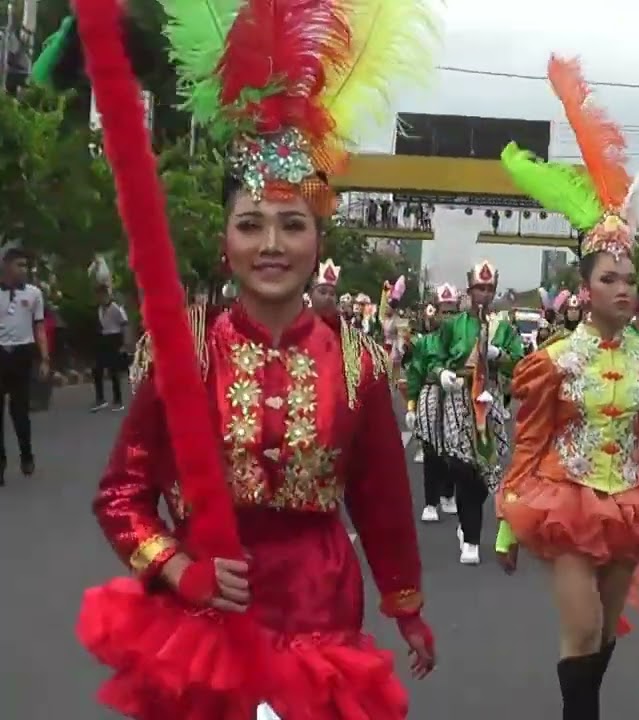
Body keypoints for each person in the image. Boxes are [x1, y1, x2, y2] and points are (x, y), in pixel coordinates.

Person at [73, 0, 438, 715]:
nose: (272, 244)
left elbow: (384, 499)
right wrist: (179, 569)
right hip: (207, 629)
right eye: (251, 224)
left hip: (321, 624)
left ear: (318, 245)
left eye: (292, 225)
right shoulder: (187, 354)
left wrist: (407, 607)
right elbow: (121, 497)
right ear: (226, 243)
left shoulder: (357, 364)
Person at [498, 53, 639, 720]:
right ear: (586, 290)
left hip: (632, 499)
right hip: (567, 498)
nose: (623, 288)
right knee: (579, 631)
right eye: (609, 278)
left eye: (629, 278)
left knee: (606, 638)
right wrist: (506, 521)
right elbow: (530, 439)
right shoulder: (554, 360)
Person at [421, 261, 524, 565]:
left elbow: (519, 361)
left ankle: (470, 526)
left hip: (488, 401)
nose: (484, 293)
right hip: (457, 398)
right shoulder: (453, 325)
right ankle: (470, 536)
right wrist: (442, 375)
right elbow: (432, 357)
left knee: (484, 471)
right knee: (460, 466)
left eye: (489, 288)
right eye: (480, 288)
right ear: (470, 291)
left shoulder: (502, 327)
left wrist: (499, 355)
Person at [0, 247, 49, 484]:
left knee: (20, 410)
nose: (24, 270)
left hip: (22, 353)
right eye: (19, 265)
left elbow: (39, 327)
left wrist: (44, 358)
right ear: (6, 266)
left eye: (25, 266)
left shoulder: (34, 294)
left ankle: (26, 454)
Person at [405, 292, 455, 522]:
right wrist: (411, 405)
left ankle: (448, 493)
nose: (445, 317)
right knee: (431, 449)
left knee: (454, 449)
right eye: (442, 312)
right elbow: (416, 373)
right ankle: (430, 502)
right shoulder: (424, 342)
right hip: (431, 393)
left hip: (456, 394)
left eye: (450, 312)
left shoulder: (461, 339)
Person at [92, 283, 129, 412]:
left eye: (101, 295)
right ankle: (100, 398)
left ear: (106, 294)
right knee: (97, 369)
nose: (99, 298)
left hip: (115, 338)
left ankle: (118, 401)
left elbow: (124, 324)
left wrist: (124, 344)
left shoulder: (116, 308)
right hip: (104, 339)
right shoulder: (99, 309)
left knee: (114, 371)